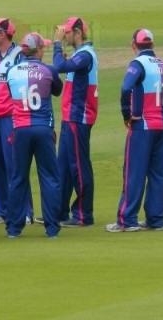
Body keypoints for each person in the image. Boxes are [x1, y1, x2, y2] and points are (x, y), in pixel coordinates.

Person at [105, 29, 163, 232]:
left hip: (143, 127)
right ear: (153, 45)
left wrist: (126, 114)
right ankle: (156, 220)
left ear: (133, 45)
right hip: (161, 127)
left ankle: (126, 220)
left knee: (134, 173)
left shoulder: (137, 65)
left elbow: (125, 88)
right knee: (158, 174)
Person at [4, 33, 64, 239]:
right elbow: (58, 90)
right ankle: (52, 228)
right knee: (49, 178)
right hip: (43, 129)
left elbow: (12, 93)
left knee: (18, 178)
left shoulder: (12, 72)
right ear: (38, 50)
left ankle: (13, 229)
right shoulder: (49, 70)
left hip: (20, 130)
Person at [0, 18, 31, 226]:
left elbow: (25, 84)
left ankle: (25, 211)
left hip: (11, 117)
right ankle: (1, 210)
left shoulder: (20, 55)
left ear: (2, 34)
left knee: (15, 165)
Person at [51, 17, 99, 228]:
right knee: (63, 166)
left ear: (78, 33)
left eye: (68, 32)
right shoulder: (81, 55)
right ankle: (59, 212)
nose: (65, 35)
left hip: (79, 117)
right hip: (70, 116)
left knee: (79, 166)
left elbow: (60, 67)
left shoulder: (86, 55)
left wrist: (56, 44)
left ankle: (83, 215)